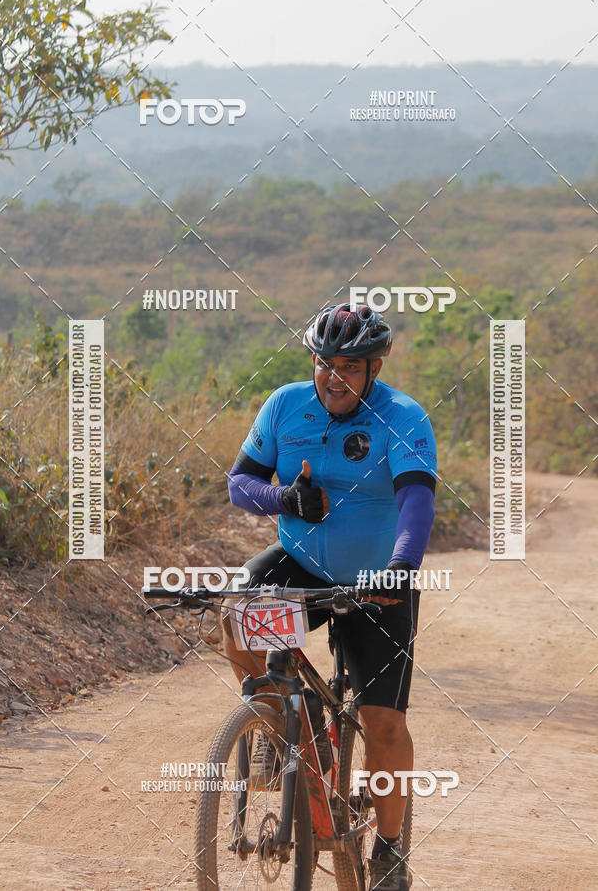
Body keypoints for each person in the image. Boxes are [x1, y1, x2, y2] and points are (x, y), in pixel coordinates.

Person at [222, 302, 437, 891]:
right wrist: (284, 499)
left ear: (374, 368)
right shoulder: (284, 405)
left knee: (383, 724)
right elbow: (240, 483)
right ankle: (281, 723)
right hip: (303, 563)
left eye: (349, 366)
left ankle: (389, 852)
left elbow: (417, 502)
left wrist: (400, 569)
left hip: (376, 580)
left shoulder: (404, 417)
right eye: (324, 363)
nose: (333, 377)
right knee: (236, 613)